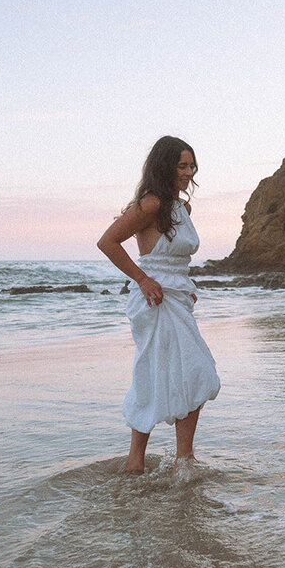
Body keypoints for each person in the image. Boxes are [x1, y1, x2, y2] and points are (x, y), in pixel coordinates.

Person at [97, 136, 220, 474]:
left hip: (177, 297)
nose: (188, 171)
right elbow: (108, 242)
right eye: (182, 165)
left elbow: (176, 259)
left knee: (192, 373)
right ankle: (136, 462)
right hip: (153, 300)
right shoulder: (149, 204)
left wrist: (186, 286)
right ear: (164, 166)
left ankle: (184, 460)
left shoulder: (183, 208)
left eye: (191, 165)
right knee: (158, 372)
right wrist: (142, 279)